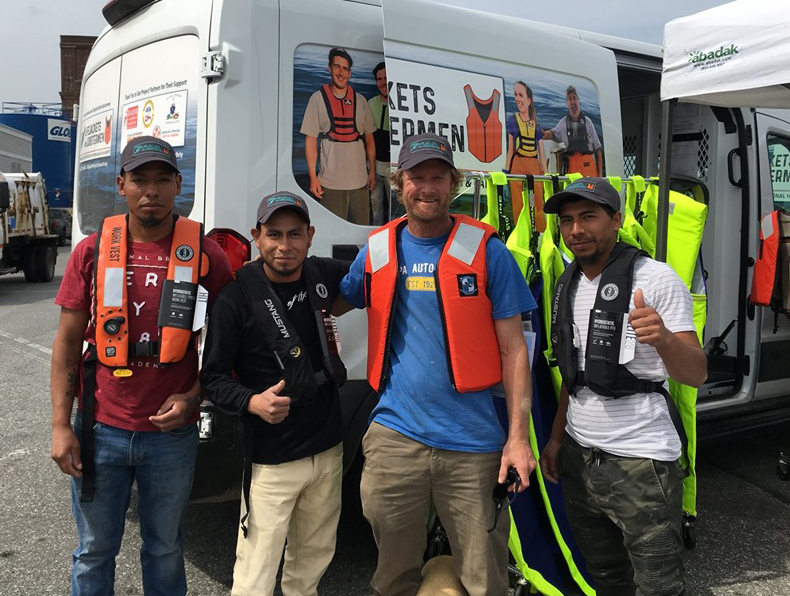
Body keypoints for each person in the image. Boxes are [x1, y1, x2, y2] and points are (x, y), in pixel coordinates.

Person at [341, 132, 538, 596]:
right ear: (398, 184)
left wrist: (517, 440)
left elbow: (515, 350)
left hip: (473, 446)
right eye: (416, 177)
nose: (426, 188)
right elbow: (332, 298)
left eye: (437, 177)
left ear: (454, 183)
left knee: (484, 580)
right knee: (392, 578)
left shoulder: (488, 252)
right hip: (395, 439)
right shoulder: (378, 249)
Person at [50, 135, 233, 596]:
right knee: (94, 548)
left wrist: (194, 396)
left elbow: (227, 345)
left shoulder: (207, 256)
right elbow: (68, 344)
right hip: (100, 429)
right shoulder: (91, 252)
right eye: (139, 180)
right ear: (121, 185)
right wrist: (60, 426)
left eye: (161, 180)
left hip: (172, 437)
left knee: (164, 546)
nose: (150, 190)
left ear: (178, 185)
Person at [538, 178, 707, 596]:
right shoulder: (567, 283)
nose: (576, 230)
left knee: (658, 586)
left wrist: (664, 338)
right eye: (567, 221)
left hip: (641, 462)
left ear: (616, 220)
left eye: (588, 217)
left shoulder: (656, 279)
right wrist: (557, 441)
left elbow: (696, 374)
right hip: (581, 458)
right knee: (607, 577)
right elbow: (573, 377)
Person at [200, 191, 350, 596]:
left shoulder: (324, 274)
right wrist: (252, 402)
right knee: (256, 570)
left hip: (328, 446)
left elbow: (378, 273)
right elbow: (211, 377)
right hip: (272, 459)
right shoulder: (235, 300)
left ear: (310, 236)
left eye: (295, 234)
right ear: (257, 236)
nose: (285, 246)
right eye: (274, 235)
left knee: (312, 563)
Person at [301, 47, 376, 224]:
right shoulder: (317, 99)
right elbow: (311, 140)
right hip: (330, 184)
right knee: (332, 233)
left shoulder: (361, 100)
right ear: (329, 68)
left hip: (360, 184)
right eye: (337, 67)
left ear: (350, 73)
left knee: (361, 234)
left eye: (345, 68)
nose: (341, 73)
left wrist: (371, 172)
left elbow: (370, 140)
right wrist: (313, 177)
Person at [505, 80, 546, 231]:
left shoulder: (536, 124)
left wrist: (546, 175)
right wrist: (506, 174)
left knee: (538, 205)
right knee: (518, 205)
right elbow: (510, 150)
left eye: (520, 95)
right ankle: (520, 234)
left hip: (534, 165)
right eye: (515, 95)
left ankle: (539, 236)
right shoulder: (512, 120)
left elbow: (542, 154)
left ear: (529, 100)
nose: (517, 99)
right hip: (517, 165)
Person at [543, 86, 603, 177]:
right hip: (572, 168)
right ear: (567, 103)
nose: (572, 102)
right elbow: (553, 133)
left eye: (574, 98)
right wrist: (544, 134)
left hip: (588, 168)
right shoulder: (563, 123)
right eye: (570, 99)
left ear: (578, 101)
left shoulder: (587, 122)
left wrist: (600, 174)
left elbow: (598, 149)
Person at [368, 61, 391, 225]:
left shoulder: (401, 106)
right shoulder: (371, 104)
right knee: (376, 208)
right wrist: (371, 171)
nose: (383, 82)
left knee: (395, 208)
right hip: (375, 167)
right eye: (379, 79)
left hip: (394, 169)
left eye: (386, 78)